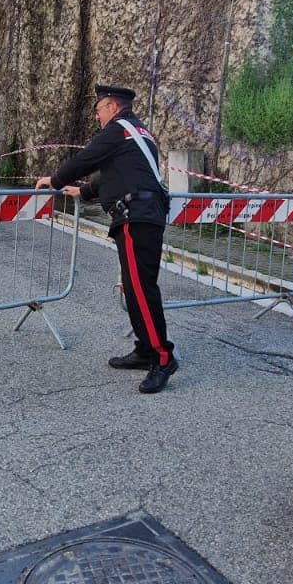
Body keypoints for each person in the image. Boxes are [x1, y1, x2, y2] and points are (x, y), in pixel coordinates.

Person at [36, 84, 178, 394]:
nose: (97, 117)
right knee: (136, 287)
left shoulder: (117, 130)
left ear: (112, 107)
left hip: (136, 215)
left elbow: (87, 159)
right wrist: (85, 191)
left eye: (99, 110)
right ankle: (145, 350)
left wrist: (56, 179)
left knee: (141, 290)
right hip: (144, 212)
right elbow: (120, 171)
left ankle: (163, 357)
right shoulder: (139, 133)